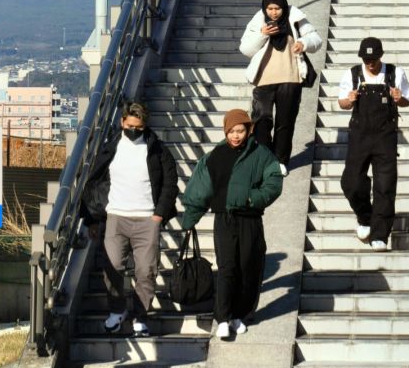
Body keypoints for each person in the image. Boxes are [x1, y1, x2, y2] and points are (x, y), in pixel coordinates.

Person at [178, 107, 283, 341]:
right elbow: (200, 190)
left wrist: (253, 198)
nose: (235, 136)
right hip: (224, 220)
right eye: (231, 131)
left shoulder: (261, 154)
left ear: (248, 130)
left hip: (250, 220)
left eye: (240, 130)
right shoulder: (215, 156)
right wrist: (190, 219)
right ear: (225, 132)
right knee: (227, 268)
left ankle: (239, 315)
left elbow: (274, 182)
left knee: (249, 267)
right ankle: (223, 318)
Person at [82, 100, 178, 336]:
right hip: (116, 216)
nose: (134, 130)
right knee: (112, 266)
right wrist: (92, 218)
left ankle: (140, 316)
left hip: (147, 218)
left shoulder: (157, 150)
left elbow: (170, 183)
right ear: (122, 121)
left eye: (139, 127)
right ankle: (116, 311)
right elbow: (94, 183)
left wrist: (159, 215)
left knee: (146, 271)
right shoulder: (110, 148)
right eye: (130, 125)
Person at [336, 36, 409, 249]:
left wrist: (399, 98)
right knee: (350, 182)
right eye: (366, 59)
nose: (370, 63)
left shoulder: (395, 73)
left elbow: (407, 100)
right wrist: (349, 100)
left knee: (385, 185)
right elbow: (342, 103)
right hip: (359, 135)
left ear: (381, 56)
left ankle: (380, 234)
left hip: (385, 137)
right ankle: (364, 216)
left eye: (374, 58)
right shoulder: (352, 74)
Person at [238, 0, 322, 177]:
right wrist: (263, 33)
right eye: (270, 9)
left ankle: (281, 161)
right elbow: (245, 49)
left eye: (277, 8)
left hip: (290, 78)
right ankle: (265, 160)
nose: (274, 12)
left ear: (284, 7)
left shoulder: (295, 16)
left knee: (285, 122)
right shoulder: (259, 19)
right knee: (261, 121)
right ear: (265, 8)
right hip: (264, 79)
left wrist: (304, 43)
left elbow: (316, 39)